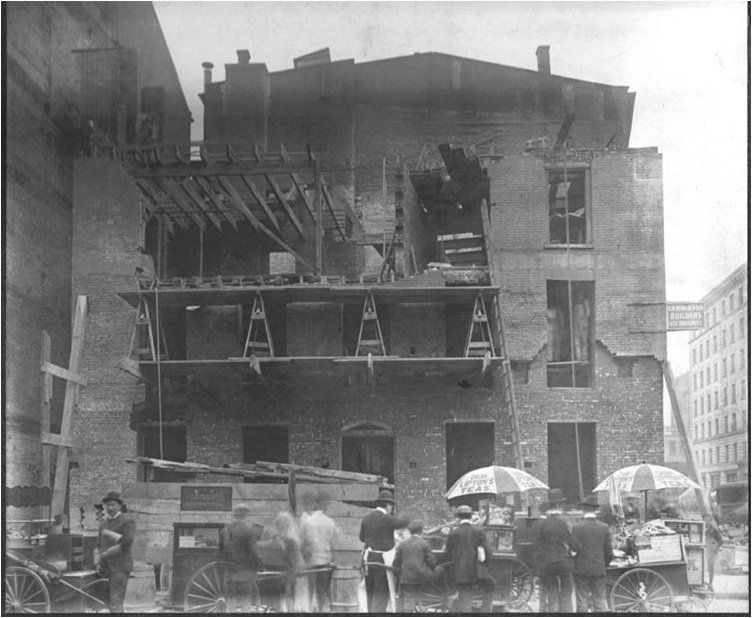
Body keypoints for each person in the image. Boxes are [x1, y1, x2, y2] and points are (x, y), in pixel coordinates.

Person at [360, 489, 409, 612]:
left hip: (368, 559)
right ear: (388, 504)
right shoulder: (387, 518)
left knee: (370, 593)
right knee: (381, 594)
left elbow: (361, 537)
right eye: (391, 506)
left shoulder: (366, 518)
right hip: (382, 560)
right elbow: (404, 522)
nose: (392, 508)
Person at [444, 505, 495, 613]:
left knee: (465, 597)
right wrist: (485, 567)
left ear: (458, 517)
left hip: (461, 572)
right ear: (471, 517)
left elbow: (448, 553)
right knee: (491, 585)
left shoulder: (454, 533)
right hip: (478, 571)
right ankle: (484, 610)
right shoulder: (479, 531)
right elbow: (488, 553)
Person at [93, 491, 136, 613]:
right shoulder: (103, 524)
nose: (110, 508)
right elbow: (97, 545)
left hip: (120, 568)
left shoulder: (127, 521)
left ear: (120, 506)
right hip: (105, 569)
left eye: (113, 505)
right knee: (105, 603)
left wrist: (105, 555)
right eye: (107, 505)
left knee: (116, 602)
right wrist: (97, 563)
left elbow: (126, 543)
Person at [257, 511, 309, 612]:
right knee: (288, 600)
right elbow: (297, 562)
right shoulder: (290, 542)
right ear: (288, 525)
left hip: (268, 577)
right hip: (286, 577)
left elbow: (261, 556)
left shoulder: (268, 538)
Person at [533, 488, 574, 613]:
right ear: (559, 505)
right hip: (563, 562)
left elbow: (538, 545)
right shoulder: (563, 522)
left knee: (552, 591)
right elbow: (571, 541)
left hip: (548, 563)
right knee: (567, 590)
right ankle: (566, 611)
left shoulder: (541, 523)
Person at [571, 496, 613, 612]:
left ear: (583, 510)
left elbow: (573, 550)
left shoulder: (577, 527)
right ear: (595, 510)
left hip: (581, 570)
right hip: (598, 569)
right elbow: (609, 552)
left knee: (582, 602)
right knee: (600, 601)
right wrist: (603, 564)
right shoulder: (604, 527)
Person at [300, 491, 338, 611]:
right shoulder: (330, 522)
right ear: (325, 505)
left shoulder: (307, 521)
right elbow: (333, 545)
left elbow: (303, 542)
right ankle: (320, 611)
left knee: (309, 591)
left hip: (311, 563)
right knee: (322, 592)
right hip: (324, 563)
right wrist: (333, 560)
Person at [221, 504, 263, 611]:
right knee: (245, 603)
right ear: (246, 514)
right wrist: (259, 564)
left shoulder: (225, 530)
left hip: (230, 573)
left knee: (231, 603)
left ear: (235, 515)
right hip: (244, 572)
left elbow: (221, 550)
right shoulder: (249, 530)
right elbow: (253, 551)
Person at [394, 520, 437, 612]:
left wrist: (398, 574)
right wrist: (434, 569)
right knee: (410, 603)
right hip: (421, 577)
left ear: (410, 531)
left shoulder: (403, 544)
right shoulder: (425, 543)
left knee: (410, 598)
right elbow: (432, 562)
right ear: (421, 531)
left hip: (406, 578)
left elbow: (396, 562)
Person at [704, 515, 724, 585]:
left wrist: (715, 548)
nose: (706, 521)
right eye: (705, 520)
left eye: (707, 520)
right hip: (703, 551)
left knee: (710, 568)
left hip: (710, 552)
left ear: (710, 521)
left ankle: (710, 583)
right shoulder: (701, 529)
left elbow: (721, 540)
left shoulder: (713, 531)